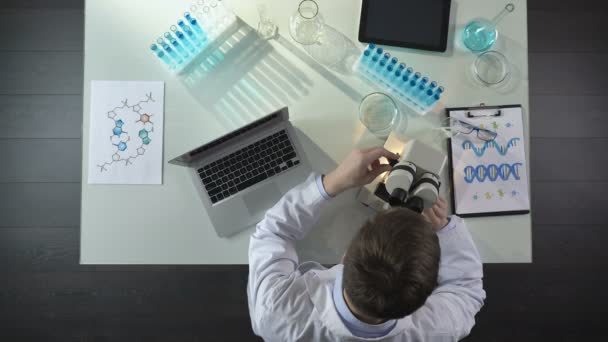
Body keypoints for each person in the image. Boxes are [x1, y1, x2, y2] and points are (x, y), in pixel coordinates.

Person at [247, 147, 486, 341]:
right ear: (424, 297)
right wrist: (444, 228)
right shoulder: (436, 330)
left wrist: (333, 182)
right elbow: (466, 289)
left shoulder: (276, 313)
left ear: (345, 257)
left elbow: (272, 232)